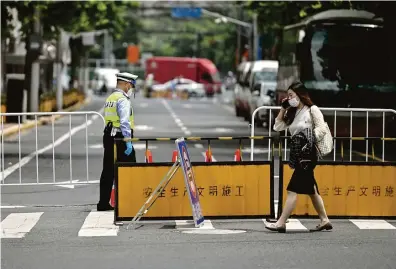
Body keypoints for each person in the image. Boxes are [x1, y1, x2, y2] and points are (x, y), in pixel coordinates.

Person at [265, 81, 333, 233]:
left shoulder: (312, 110)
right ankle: (324, 220)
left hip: (308, 154)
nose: (289, 99)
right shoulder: (292, 112)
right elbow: (277, 126)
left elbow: (321, 128)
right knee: (311, 190)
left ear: (300, 95)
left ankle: (280, 223)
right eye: (287, 96)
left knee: (292, 189)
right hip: (298, 153)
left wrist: (307, 139)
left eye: (291, 95)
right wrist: (283, 109)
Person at [97, 72, 138, 211]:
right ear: (127, 84)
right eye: (132, 85)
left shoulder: (111, 97)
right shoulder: (122, 100)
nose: (132, 88)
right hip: (119, 138)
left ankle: (103, 203)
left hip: (108, 136)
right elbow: (124, 122)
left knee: (108, 170)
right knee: (129, 169)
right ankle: (128, 202)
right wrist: (128, 141)